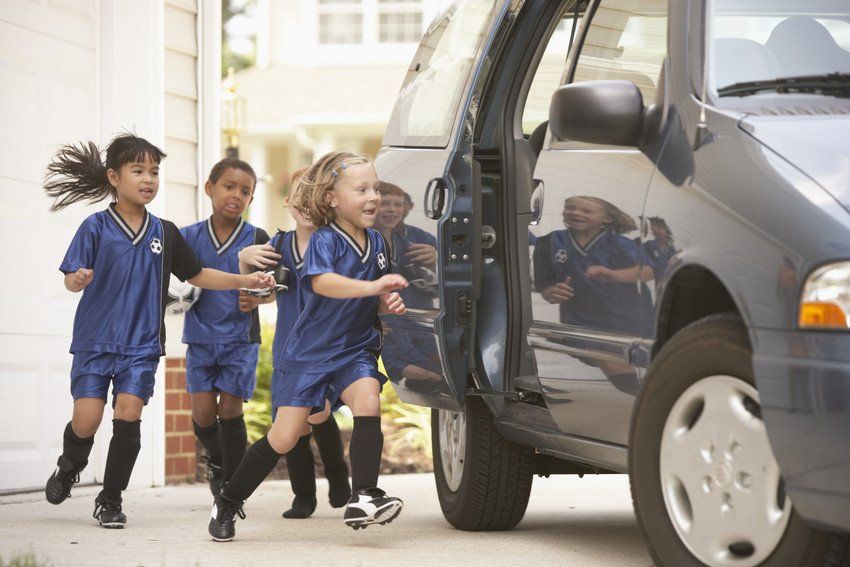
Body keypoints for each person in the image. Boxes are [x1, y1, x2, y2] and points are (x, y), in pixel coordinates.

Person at [42, 134, 275, 528]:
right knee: (87, 420)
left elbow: (198, 273)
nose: (149, 179)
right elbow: (70, 276)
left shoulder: (165, 232)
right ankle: (70, 465)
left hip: (142, 344)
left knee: (128, 415)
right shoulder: (95, 226)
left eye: (154, 171)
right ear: (114, 177)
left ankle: (111, 499)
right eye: (139, 171)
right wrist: (76, 280)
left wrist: (243, 282)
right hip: (95, 340)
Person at [207, 151, 407, 542]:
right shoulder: (325, 241)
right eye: (362, 189)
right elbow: (323, 283)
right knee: (284, 438)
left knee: (369, 397)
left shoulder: (379, 243)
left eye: (376, 188)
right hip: (308, 355)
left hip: (355, 350)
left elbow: (375, 293)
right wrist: (372, 288)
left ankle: (363, 495)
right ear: (332, 199)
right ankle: (228, 501)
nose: (373, 197)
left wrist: (386, 300)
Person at [237, 167, 352, 520]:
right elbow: (263, 292)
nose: (305, 204)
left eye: (313, 196)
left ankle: (336, 472)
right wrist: (245, 264)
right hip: (291, 345)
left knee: (319, 412)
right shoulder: (278, 246)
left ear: (328, 202)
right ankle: (304, 496)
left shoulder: (335, 242)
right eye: (298, 196)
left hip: (328, 345)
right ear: (287, 202)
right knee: (296, 424)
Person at [179, 158, 270, 497]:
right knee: (203, 416)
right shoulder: (187, 238)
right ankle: (217, 460)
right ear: (209, 189)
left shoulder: (257, 238)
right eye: (229, 186)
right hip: (201, 337)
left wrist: (257, 300)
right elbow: (176, 284)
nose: (236, 195)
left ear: (251, 199)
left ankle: (232, 487)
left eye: (245, 191)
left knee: (230, 408)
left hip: (240, 340)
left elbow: (270, 288)